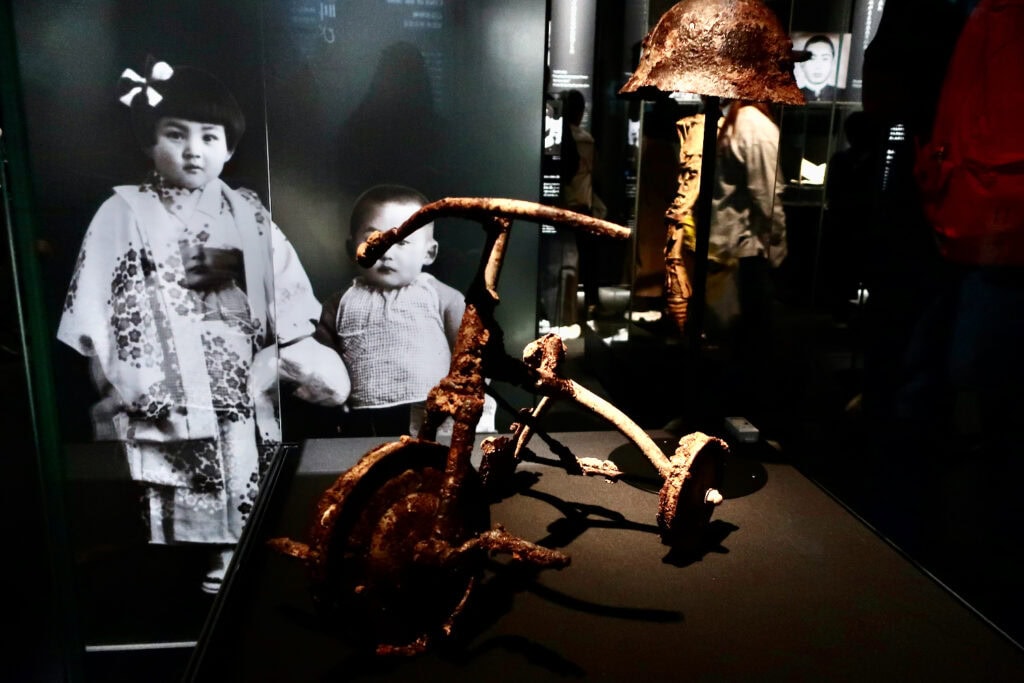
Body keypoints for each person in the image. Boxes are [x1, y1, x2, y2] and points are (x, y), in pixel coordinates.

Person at [56, 59, 348, 594]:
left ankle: (231, 566)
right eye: (176, 134)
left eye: (210, 136)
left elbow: (286, 288)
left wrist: (248, 287)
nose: (194, 149)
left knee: (240, 470)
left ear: (230, 148)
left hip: (239, 371)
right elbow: (97, 300)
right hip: (159, 371)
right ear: (150, 143)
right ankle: (186, 573)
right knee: (173, 478)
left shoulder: (248, 212)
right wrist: (125, 369)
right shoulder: (122, 210)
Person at [313, 184, 495, 437]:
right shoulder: (339, 304)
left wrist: (472, 390)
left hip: (429, 411)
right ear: (350, 249)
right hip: (363, 416)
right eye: (373, 239)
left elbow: (472, 350)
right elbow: (320, 358)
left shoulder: (442, 297)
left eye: (402, 242)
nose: (386, 252)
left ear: (429, 252)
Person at [707, 99, 788, 415]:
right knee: (751, 344)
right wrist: (779, 248)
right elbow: (766, 197)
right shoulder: (756, 125)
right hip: (749, 251)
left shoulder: (738, 120)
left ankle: (726, 412)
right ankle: (745, 415)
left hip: (734, 248)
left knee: (737, 343)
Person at [798, 34, 838, 102]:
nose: (818, 66)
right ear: (802, 63)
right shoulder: (791, 95)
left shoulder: (844, 94)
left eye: (825, 59)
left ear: (833, 63)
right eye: (812, 59)